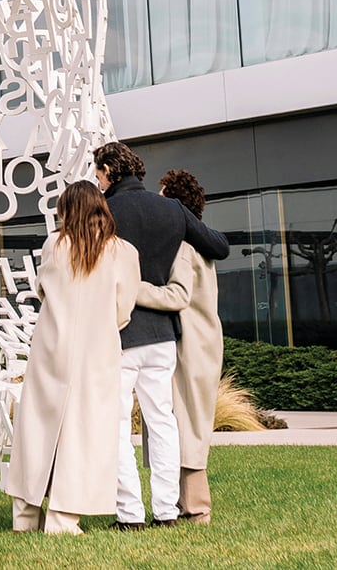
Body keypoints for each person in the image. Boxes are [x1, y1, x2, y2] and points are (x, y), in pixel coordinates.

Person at [96, 140, 229, 527]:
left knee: (120, 425)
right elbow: (218, 246)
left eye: (98, 173)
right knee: (164, 422)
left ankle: (130, 514)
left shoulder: (104, 211)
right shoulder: (172, 210)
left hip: (119, 333)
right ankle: (167, 512)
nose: (97, 180)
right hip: (163, 338)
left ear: (108, 171)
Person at [3, 180, 141, 534]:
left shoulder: (55, 244)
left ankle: (26, 515)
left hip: (51, 348)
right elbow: (123, 309)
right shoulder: (122, 252)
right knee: (85, 433)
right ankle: (64, 518)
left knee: (36, 430)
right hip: (97, 353)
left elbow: (41, 288)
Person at [134, 169, 225, 524]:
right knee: (187, 421)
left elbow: (177, 296)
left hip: (189, 343)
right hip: (201, 341)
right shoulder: (201, 246)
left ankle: (195, 508)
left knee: (183, 422)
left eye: (161, 196)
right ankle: (187, 506)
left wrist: (132, 288)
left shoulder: (184, 249)